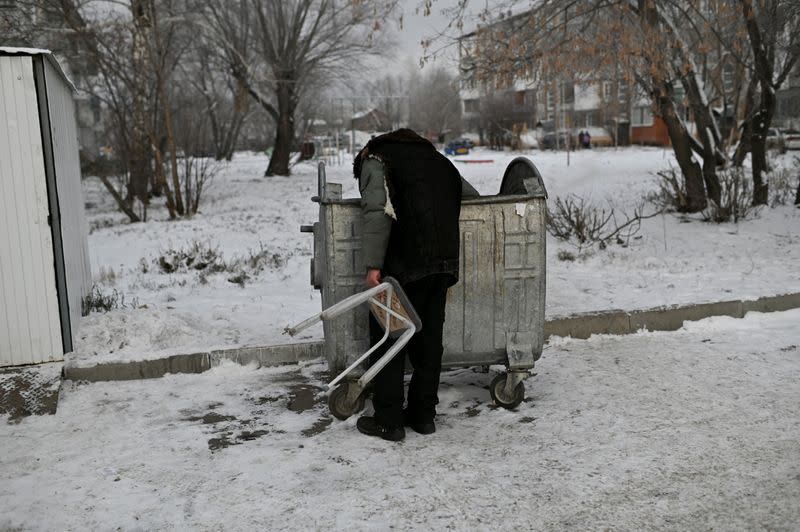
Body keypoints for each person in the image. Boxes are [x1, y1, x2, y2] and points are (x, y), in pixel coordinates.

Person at [352, 128, 478, 441]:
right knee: (429, 340)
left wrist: (373, 267)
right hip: (445, 263)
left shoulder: (377, 160)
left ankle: (388, 419)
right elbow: (473, 198)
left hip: (405, 263)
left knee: (389, 337)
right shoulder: (440, 162)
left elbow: (375, 212)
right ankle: (423, 416)